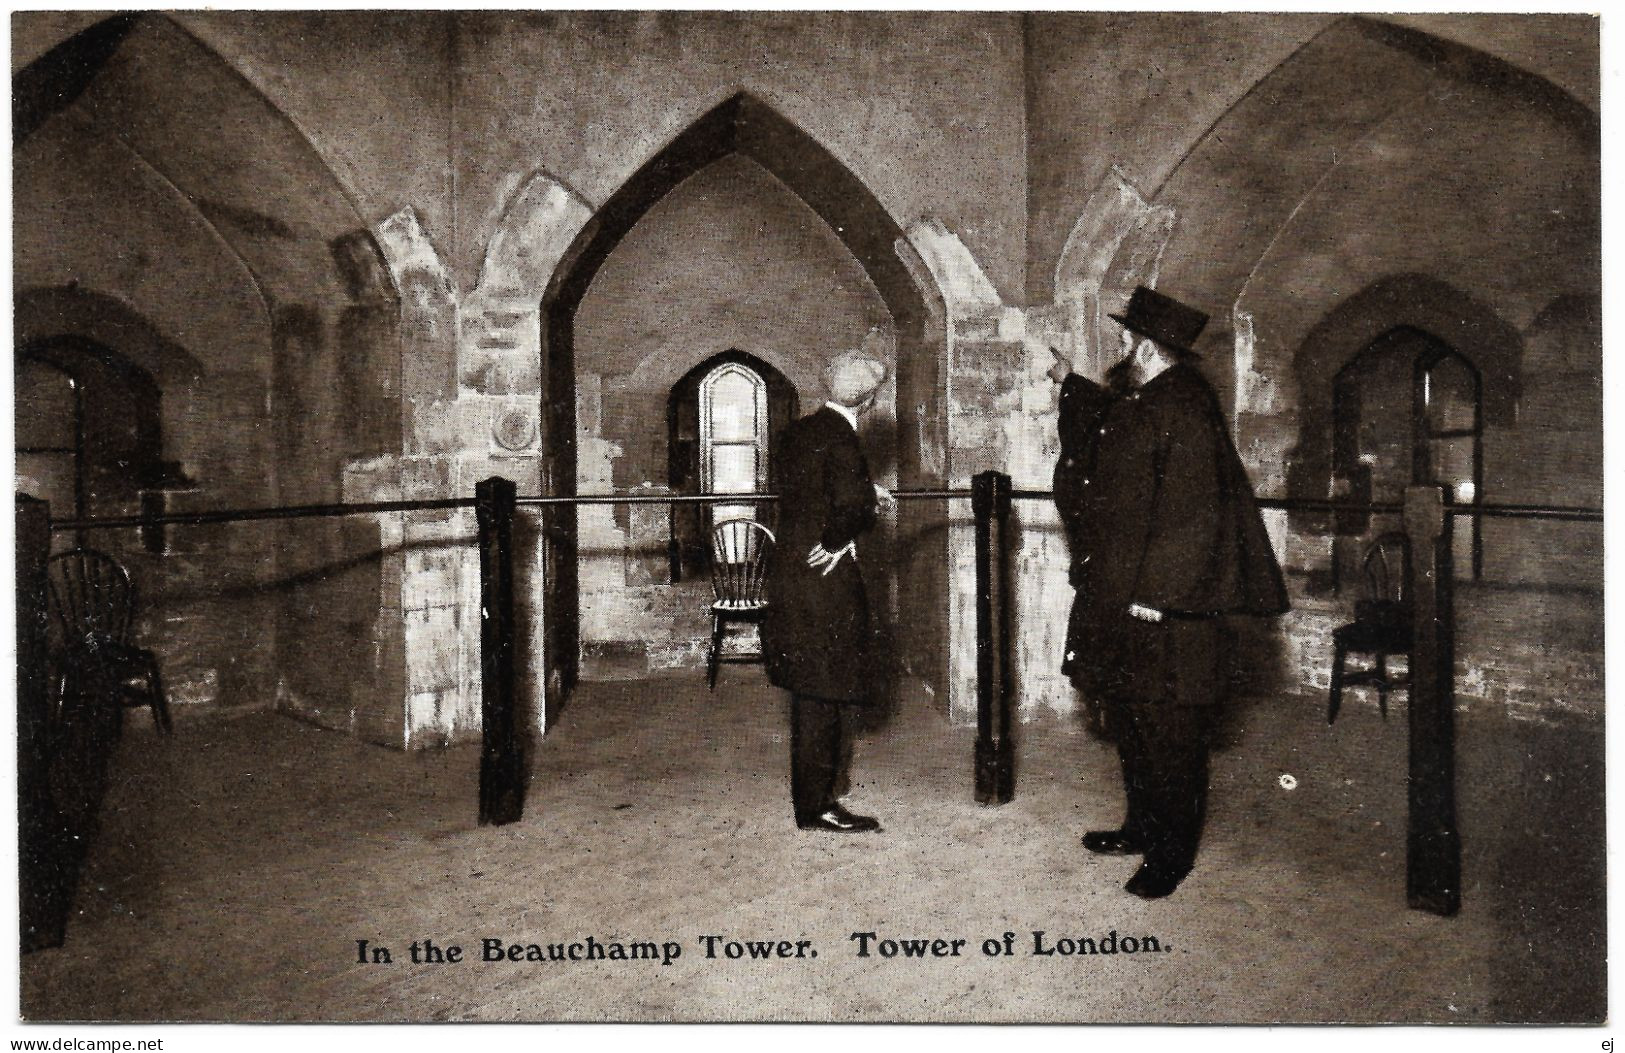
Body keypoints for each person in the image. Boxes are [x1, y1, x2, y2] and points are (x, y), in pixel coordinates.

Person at [1049, 285, 1289, 898]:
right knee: (1132, 717)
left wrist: (1157, 595)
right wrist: (1070, 381)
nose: (1123, 346)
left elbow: (1194, 515)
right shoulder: (1158, 397)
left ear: (1147, 347)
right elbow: (1111, 429)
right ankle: (1139, 827)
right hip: (1130, 595)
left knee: (1171, 736)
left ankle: (1171, 856)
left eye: (1129, 338)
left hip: (1163, 606)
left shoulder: (1182, 406)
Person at [761, 348, 895, 833]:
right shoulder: (845, 437)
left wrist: (862, 493)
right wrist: (839, 540)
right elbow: (852, 505)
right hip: (824, 579)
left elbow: (809, 491)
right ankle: (818, 805)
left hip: (792, 574)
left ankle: (815, 797)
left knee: (810, 690)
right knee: (826, 691)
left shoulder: (801, 431)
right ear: (869, 399)